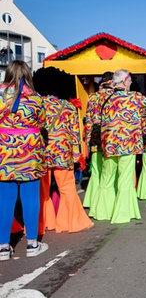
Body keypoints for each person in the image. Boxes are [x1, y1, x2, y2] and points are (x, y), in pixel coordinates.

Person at [89, 69, 146, 224]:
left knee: (106, 178)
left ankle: (102, 211)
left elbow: (95, 120)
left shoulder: (103, 98)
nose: (131, 83)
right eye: (129, 80)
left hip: (109, 145)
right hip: (128, 145)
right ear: (124, 81)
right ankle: (122, 214)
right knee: (124, 179)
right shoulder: (134, 97)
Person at [0, 60, 48, 260]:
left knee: (4, 198)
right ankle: (32, 244)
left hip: (4, 150)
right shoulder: (36, 99)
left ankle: (3, 246)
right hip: (29, 151)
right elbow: (42, 122)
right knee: (30, 197)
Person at [37, 79, 93, 234]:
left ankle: (44, 222)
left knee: (43, 191)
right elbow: (75, 134)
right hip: (63, 151)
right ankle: (71, 222)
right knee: (67, 188)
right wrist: (77, 155)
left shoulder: (37, 104)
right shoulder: (68, 106)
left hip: (42, 151)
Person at [83, 71, 114, 208]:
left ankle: (91, 200)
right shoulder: (114, 96)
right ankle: (106, 202)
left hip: (95, 138)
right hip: (109, 137)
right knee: (109, 172)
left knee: (96, 171)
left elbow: (88, 120)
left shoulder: (93, 97)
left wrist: (88, 140)